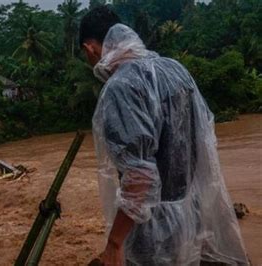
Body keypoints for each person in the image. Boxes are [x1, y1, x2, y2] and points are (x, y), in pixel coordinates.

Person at [79, 5, 249, 266]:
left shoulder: (121, 87)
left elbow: (140, 177)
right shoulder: (175, 70)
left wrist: (115, 243)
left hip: (153, 231)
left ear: (90, 48)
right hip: (192, 218)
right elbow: (204, 147)